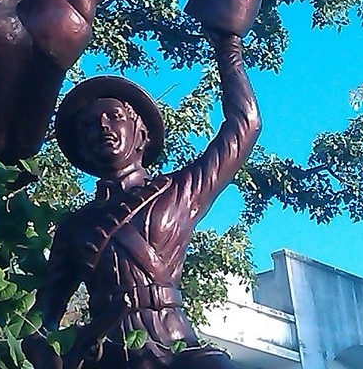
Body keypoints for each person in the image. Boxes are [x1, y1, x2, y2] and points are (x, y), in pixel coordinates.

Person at [26, 34, 262, 369]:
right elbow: (42, 318)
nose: (102, 126)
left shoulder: (179, 191)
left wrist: (228, 47)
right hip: (106, 358)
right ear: (82, 147)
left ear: (141, 133)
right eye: (89, 124)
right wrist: (46, 354)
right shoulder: (75, 228)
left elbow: (245, 125)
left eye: (114, 116)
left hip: (175, 349)